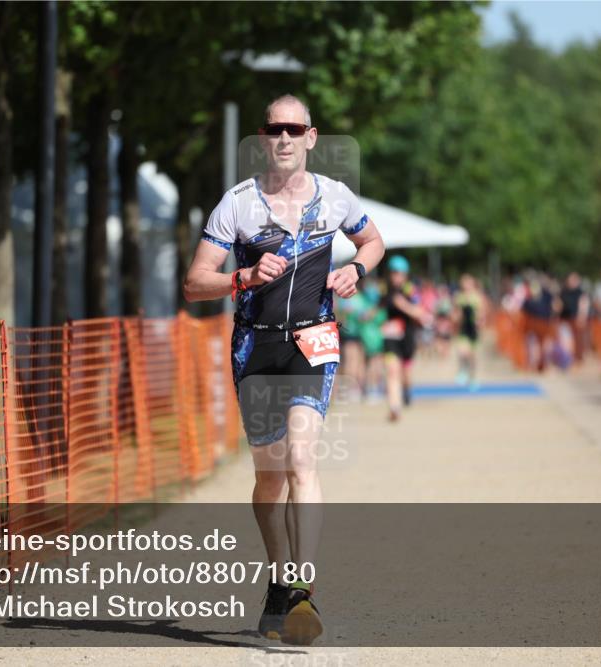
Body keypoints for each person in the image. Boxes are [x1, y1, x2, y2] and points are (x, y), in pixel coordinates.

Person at [182, 94, 385, 645]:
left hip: (314, 340)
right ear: (263, 137)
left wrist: (357, 271)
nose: (286, 138)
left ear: (312, 137)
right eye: (276, 129)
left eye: (296, 128)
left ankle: (302, 588)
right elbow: (195, 282)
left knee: (301, 458)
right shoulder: (238, 204)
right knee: (269, 479)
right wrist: (242, 277)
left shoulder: (335, 197)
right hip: (256, 347)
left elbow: (373, 241)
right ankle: (278, 580)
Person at [381, 255, 431, 421]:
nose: (395, 276)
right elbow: (377, 309)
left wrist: (404, 305)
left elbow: (419, 312)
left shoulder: (411, 290)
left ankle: (407, 392)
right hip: (391, 337)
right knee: (392, 371)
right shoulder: (386, 291)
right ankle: (394, 407)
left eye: (399, 273)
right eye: (393, 273)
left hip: (407, 338)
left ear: (405, 274)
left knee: (406, 374)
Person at [453, 274, 483, 388]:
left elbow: (481, 312)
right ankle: (463, 371)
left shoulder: (477, 297)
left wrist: (479, 320)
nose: (466, 285)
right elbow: (456, 312)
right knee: (462, 352)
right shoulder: (459, 297)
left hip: (473, 330)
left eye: (468, 283)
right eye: (464, 283)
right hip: (463, 328)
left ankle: (473, 378)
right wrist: (455, 318)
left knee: (472, 356)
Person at [559, 272, 588, 364]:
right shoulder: (563, 292)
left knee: (578, 340)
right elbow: (559, 304)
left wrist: (581, 316)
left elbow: (583, 304)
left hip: (576, 318)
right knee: (566, 339)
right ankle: (568, 358)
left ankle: (578, 358)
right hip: (565, 319)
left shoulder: (580, 292)